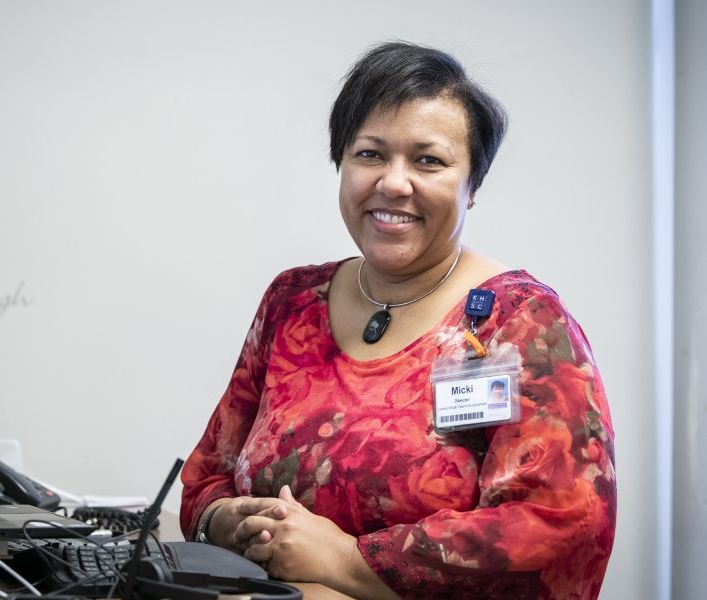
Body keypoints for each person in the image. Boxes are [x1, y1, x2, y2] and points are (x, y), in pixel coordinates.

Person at [180, 41, 615, 599]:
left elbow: (560, 528)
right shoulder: (292, 302)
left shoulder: (520, 322)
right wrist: (226, 522)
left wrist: (346, 562)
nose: (393, 182)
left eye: (428, 160)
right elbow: (206, 477)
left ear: (472, 186)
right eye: (370, 154)